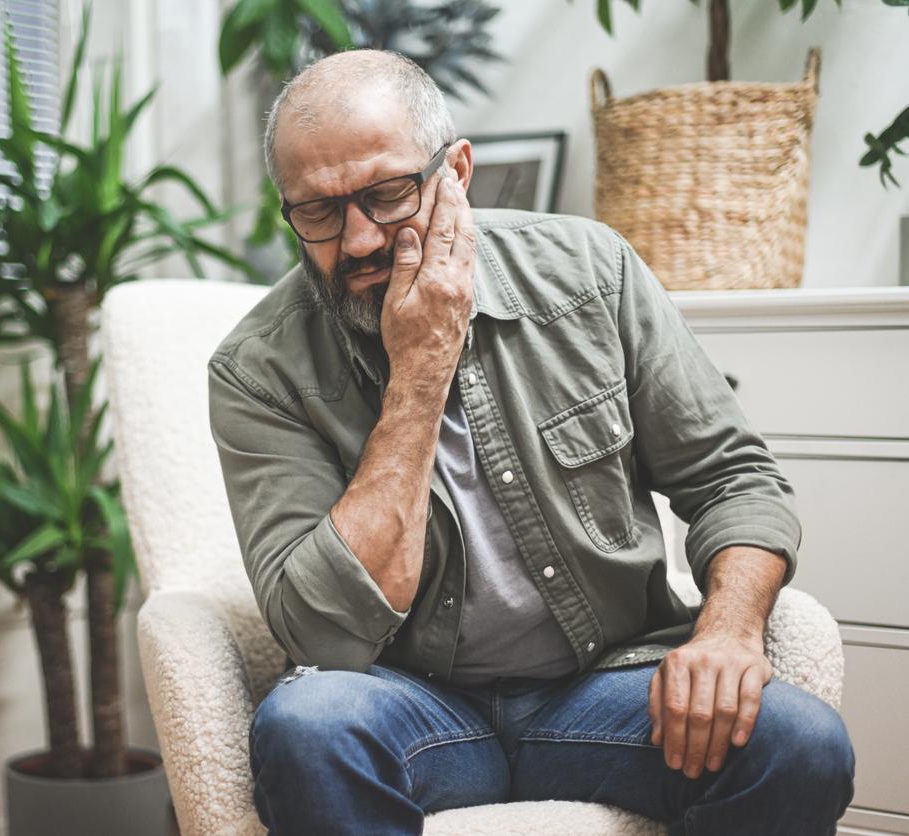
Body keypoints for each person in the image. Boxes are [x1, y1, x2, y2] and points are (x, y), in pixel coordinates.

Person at [206, 49, 855, 835]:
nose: (359, 240)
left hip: (606, 686)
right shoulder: (257, 370)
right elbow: (322, 634)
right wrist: (418, 372)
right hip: (409, 704)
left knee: (803, 743)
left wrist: (727, 631)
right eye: (318, 211)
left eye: (385, 194)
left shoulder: (589, 272)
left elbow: (734, 480)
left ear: (457, 172)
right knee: (306, 728)